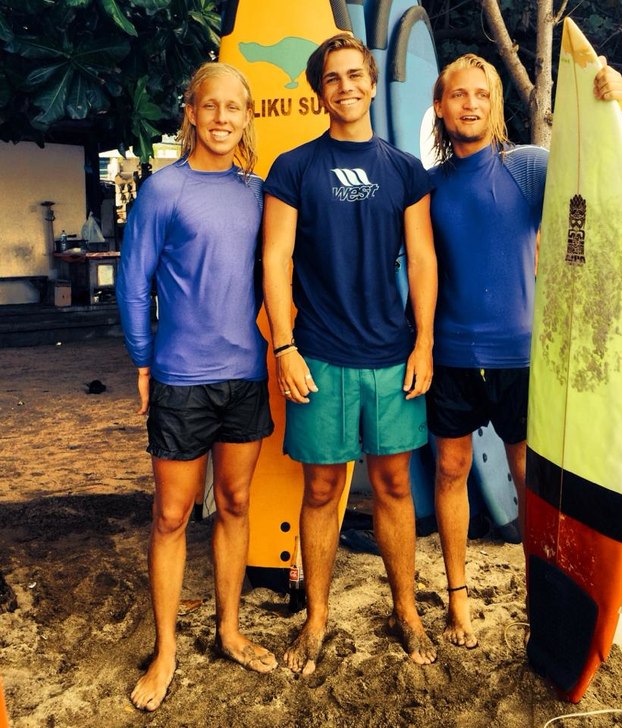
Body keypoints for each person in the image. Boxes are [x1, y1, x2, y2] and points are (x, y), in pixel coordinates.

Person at [425, 53, 622, 649]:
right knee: (450, 470)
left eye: (481, 94)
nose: (470, 104)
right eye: (458, 94)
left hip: (520, 356)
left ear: (494, 104)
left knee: (529, 478)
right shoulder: (429, 185)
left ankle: (547, 596)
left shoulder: (529, 167)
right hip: (451, 357)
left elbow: (591, 182)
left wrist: (613, 105)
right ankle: (458, 599)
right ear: (440, 107)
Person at [262, 34, 438, 675]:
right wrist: (284, 345)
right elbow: (275, 259)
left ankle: (406, 611)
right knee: (322, 488)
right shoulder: (293, 167)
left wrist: (424, 342)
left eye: (355, 75)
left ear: (370, 81)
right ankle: (316, 618)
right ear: (320, 91)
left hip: (391, 354)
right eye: (332, 78)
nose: (346, 87)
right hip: (319, 354)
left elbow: (422, 259)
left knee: (393, 485)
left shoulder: (405, 170)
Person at [116, 62, 277, 712]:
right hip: (181, 380)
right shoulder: (164, 190)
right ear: (191, 112)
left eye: (234, 107)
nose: (221, 118)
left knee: (235, 504)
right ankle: (166, 652)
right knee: (171, 516)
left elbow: (281, 274)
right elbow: (134, 282)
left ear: (247, 116)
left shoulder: (260, 193)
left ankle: (229, 630)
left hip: (246, 377)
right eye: (210, 106)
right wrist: (143, 360)